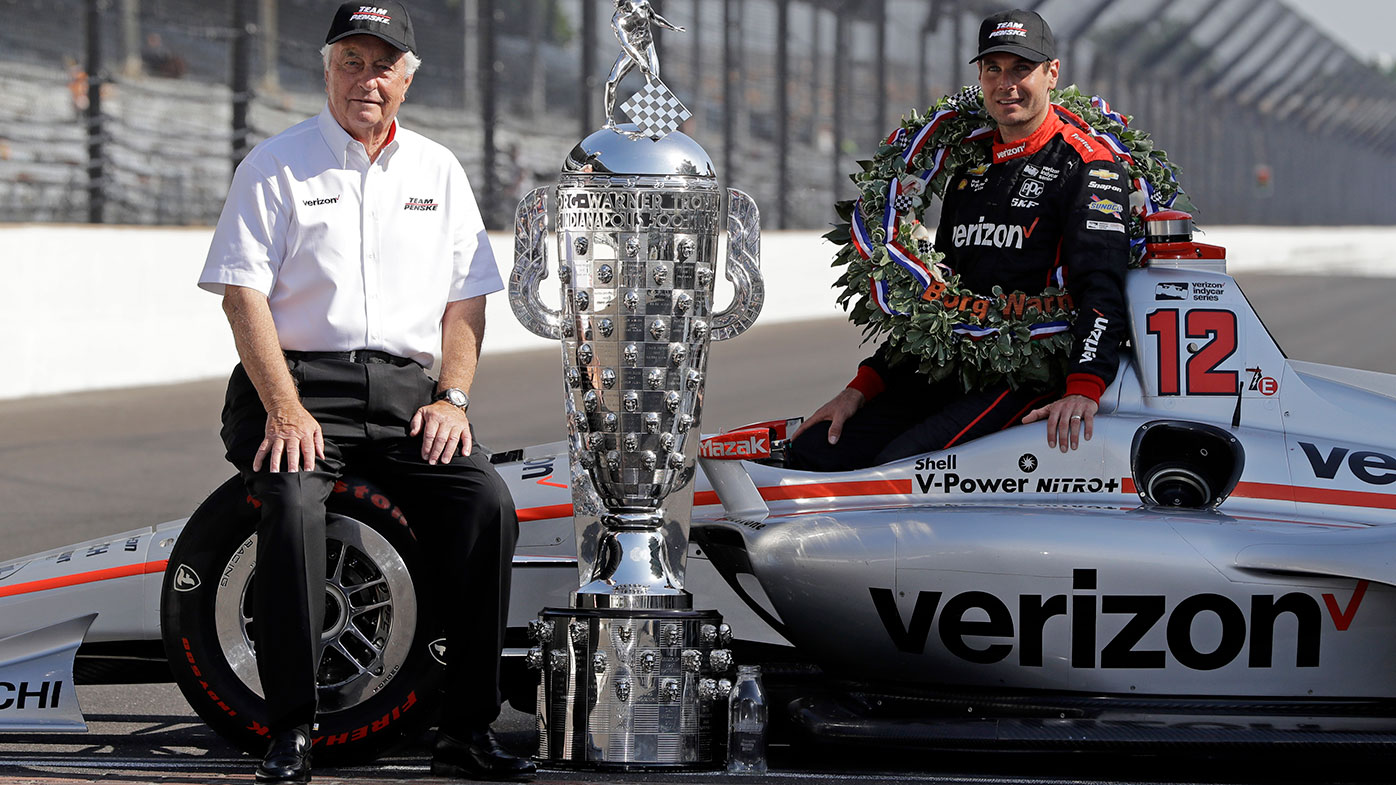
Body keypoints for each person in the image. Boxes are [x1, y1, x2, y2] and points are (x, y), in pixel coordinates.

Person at [198, 2, 535, 782]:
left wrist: (452, 397)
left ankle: (466, 728)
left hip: (408, 395)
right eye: (351, 61)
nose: (366, 80)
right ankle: (290, 727)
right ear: (326, 70)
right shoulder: (274, 163)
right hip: (295, 384)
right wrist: (285, 409)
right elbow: (242, 296)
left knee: (485, 501)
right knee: (292, 502)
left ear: (407, 80)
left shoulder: (438, 171)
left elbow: (466, 303)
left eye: (383, 65)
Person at [790, 8, 1129, 471]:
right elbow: (939, 297)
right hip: (956, 363)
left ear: (1052, 75)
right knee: (815, 450)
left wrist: (1084, 386)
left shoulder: (1088, 165)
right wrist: (862, 386)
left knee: (899, 467)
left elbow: (1104, 288)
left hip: (1029, 373)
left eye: (1021, 69)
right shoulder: (969, 166)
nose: (1006, 83)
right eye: (994, 69)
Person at [603, 0, 685, 127]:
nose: (614, 2)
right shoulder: (617, 20)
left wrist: (672, 27)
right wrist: (640, 61)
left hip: (647, 46)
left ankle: (657, 122)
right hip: (631, 50)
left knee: (653, 82)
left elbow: (654, 17)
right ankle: (609, 120)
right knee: (611, 82)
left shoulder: (642, 3)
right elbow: (626, 44)